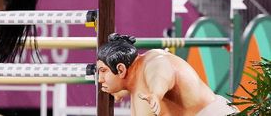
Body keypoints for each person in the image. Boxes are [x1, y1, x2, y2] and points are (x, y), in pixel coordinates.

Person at [97, 33, 238, 116]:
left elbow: (162, 72)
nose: (100, 79)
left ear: (121, 69)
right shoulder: (135, 75)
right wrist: (121, 89)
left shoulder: (154, 61)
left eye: (103, 71)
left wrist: (156, 94)